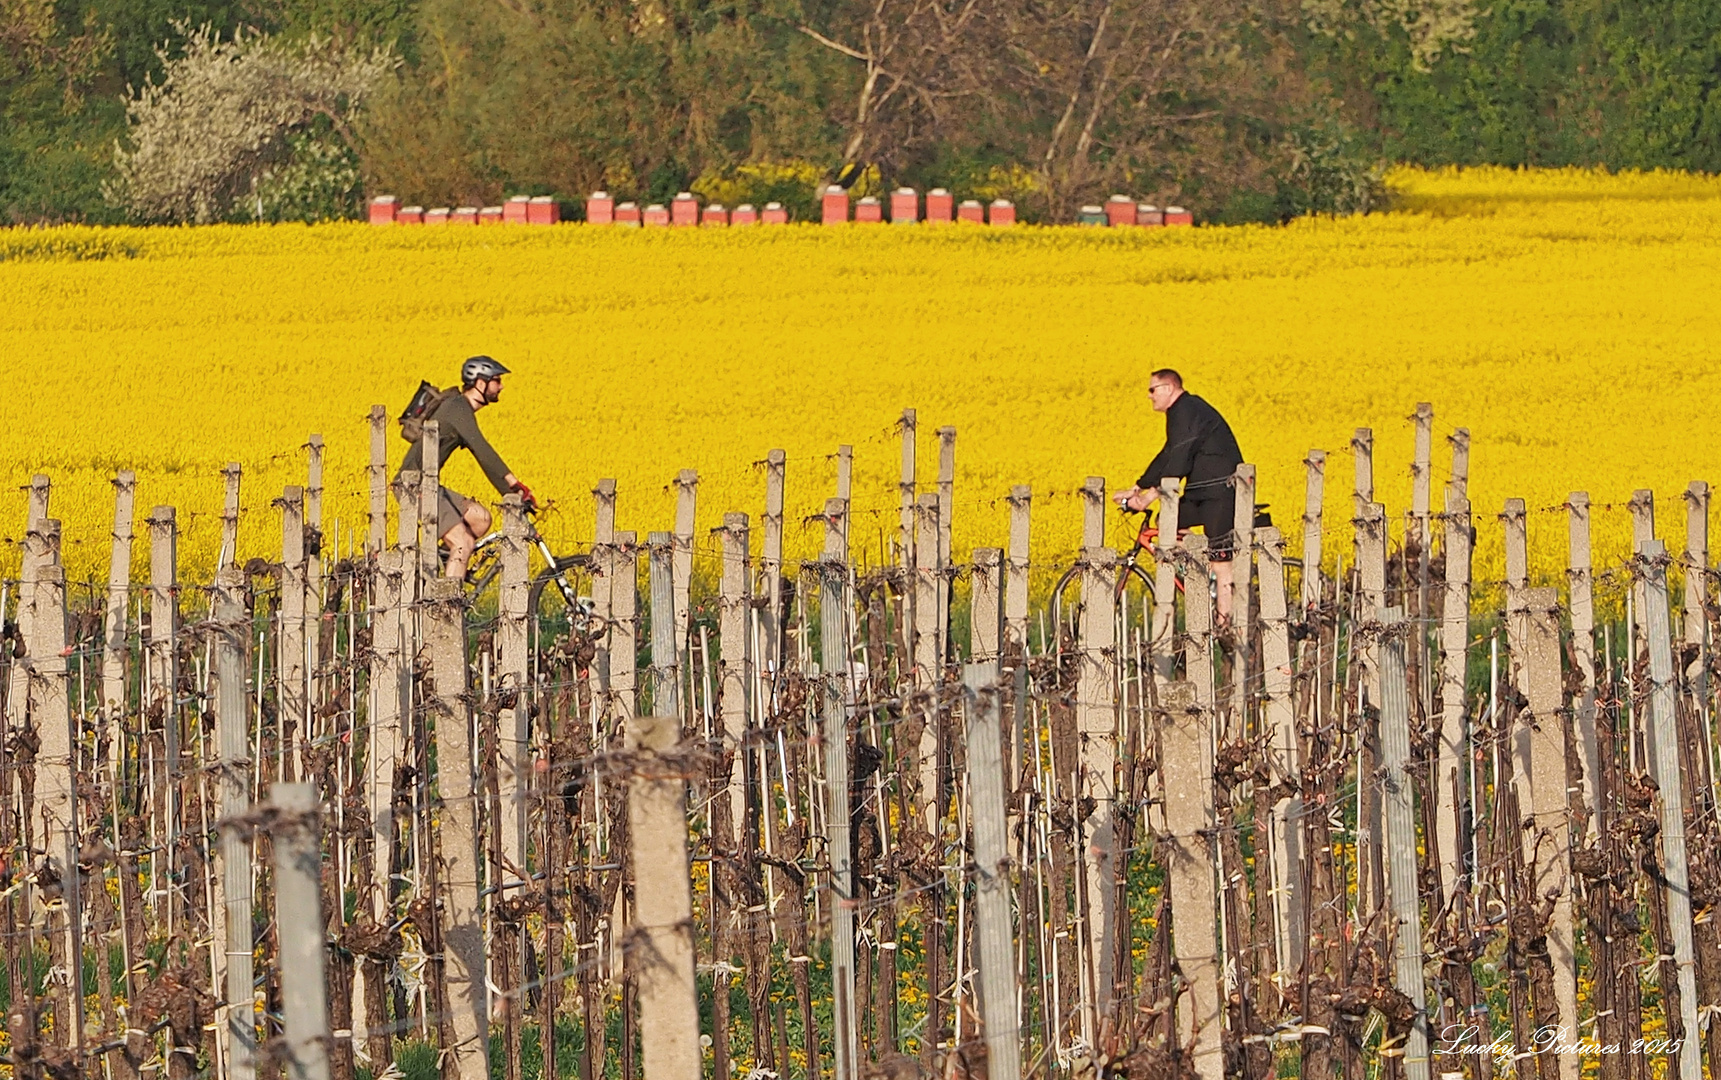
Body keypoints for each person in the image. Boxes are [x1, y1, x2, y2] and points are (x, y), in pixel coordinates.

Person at [1112, 368, 1244, 621]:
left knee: (1220, 559)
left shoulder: (1187, 410)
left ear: (1169, 388)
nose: (1149, 396)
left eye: (1153, 390)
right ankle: (1200, 572)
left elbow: (1180, 458)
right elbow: (1169, 454)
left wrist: (1151, 496)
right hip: (1201, 491)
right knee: (1166, 524)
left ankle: (1224, 621)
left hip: (1219, 491)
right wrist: (1138, 487)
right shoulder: (1180, 412)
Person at [397, 355, 535, 580]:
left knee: (481, 519)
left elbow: (483, 460)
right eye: (496, 380)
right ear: (480, 383)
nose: (501, 386)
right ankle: (446, 607)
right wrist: (514, 483)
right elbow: (482, 449)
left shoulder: (461, 409)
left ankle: (440, 567)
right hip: (412, 486)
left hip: (428, 485)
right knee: (463, 542)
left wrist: (511, 494)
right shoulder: (457, 407)